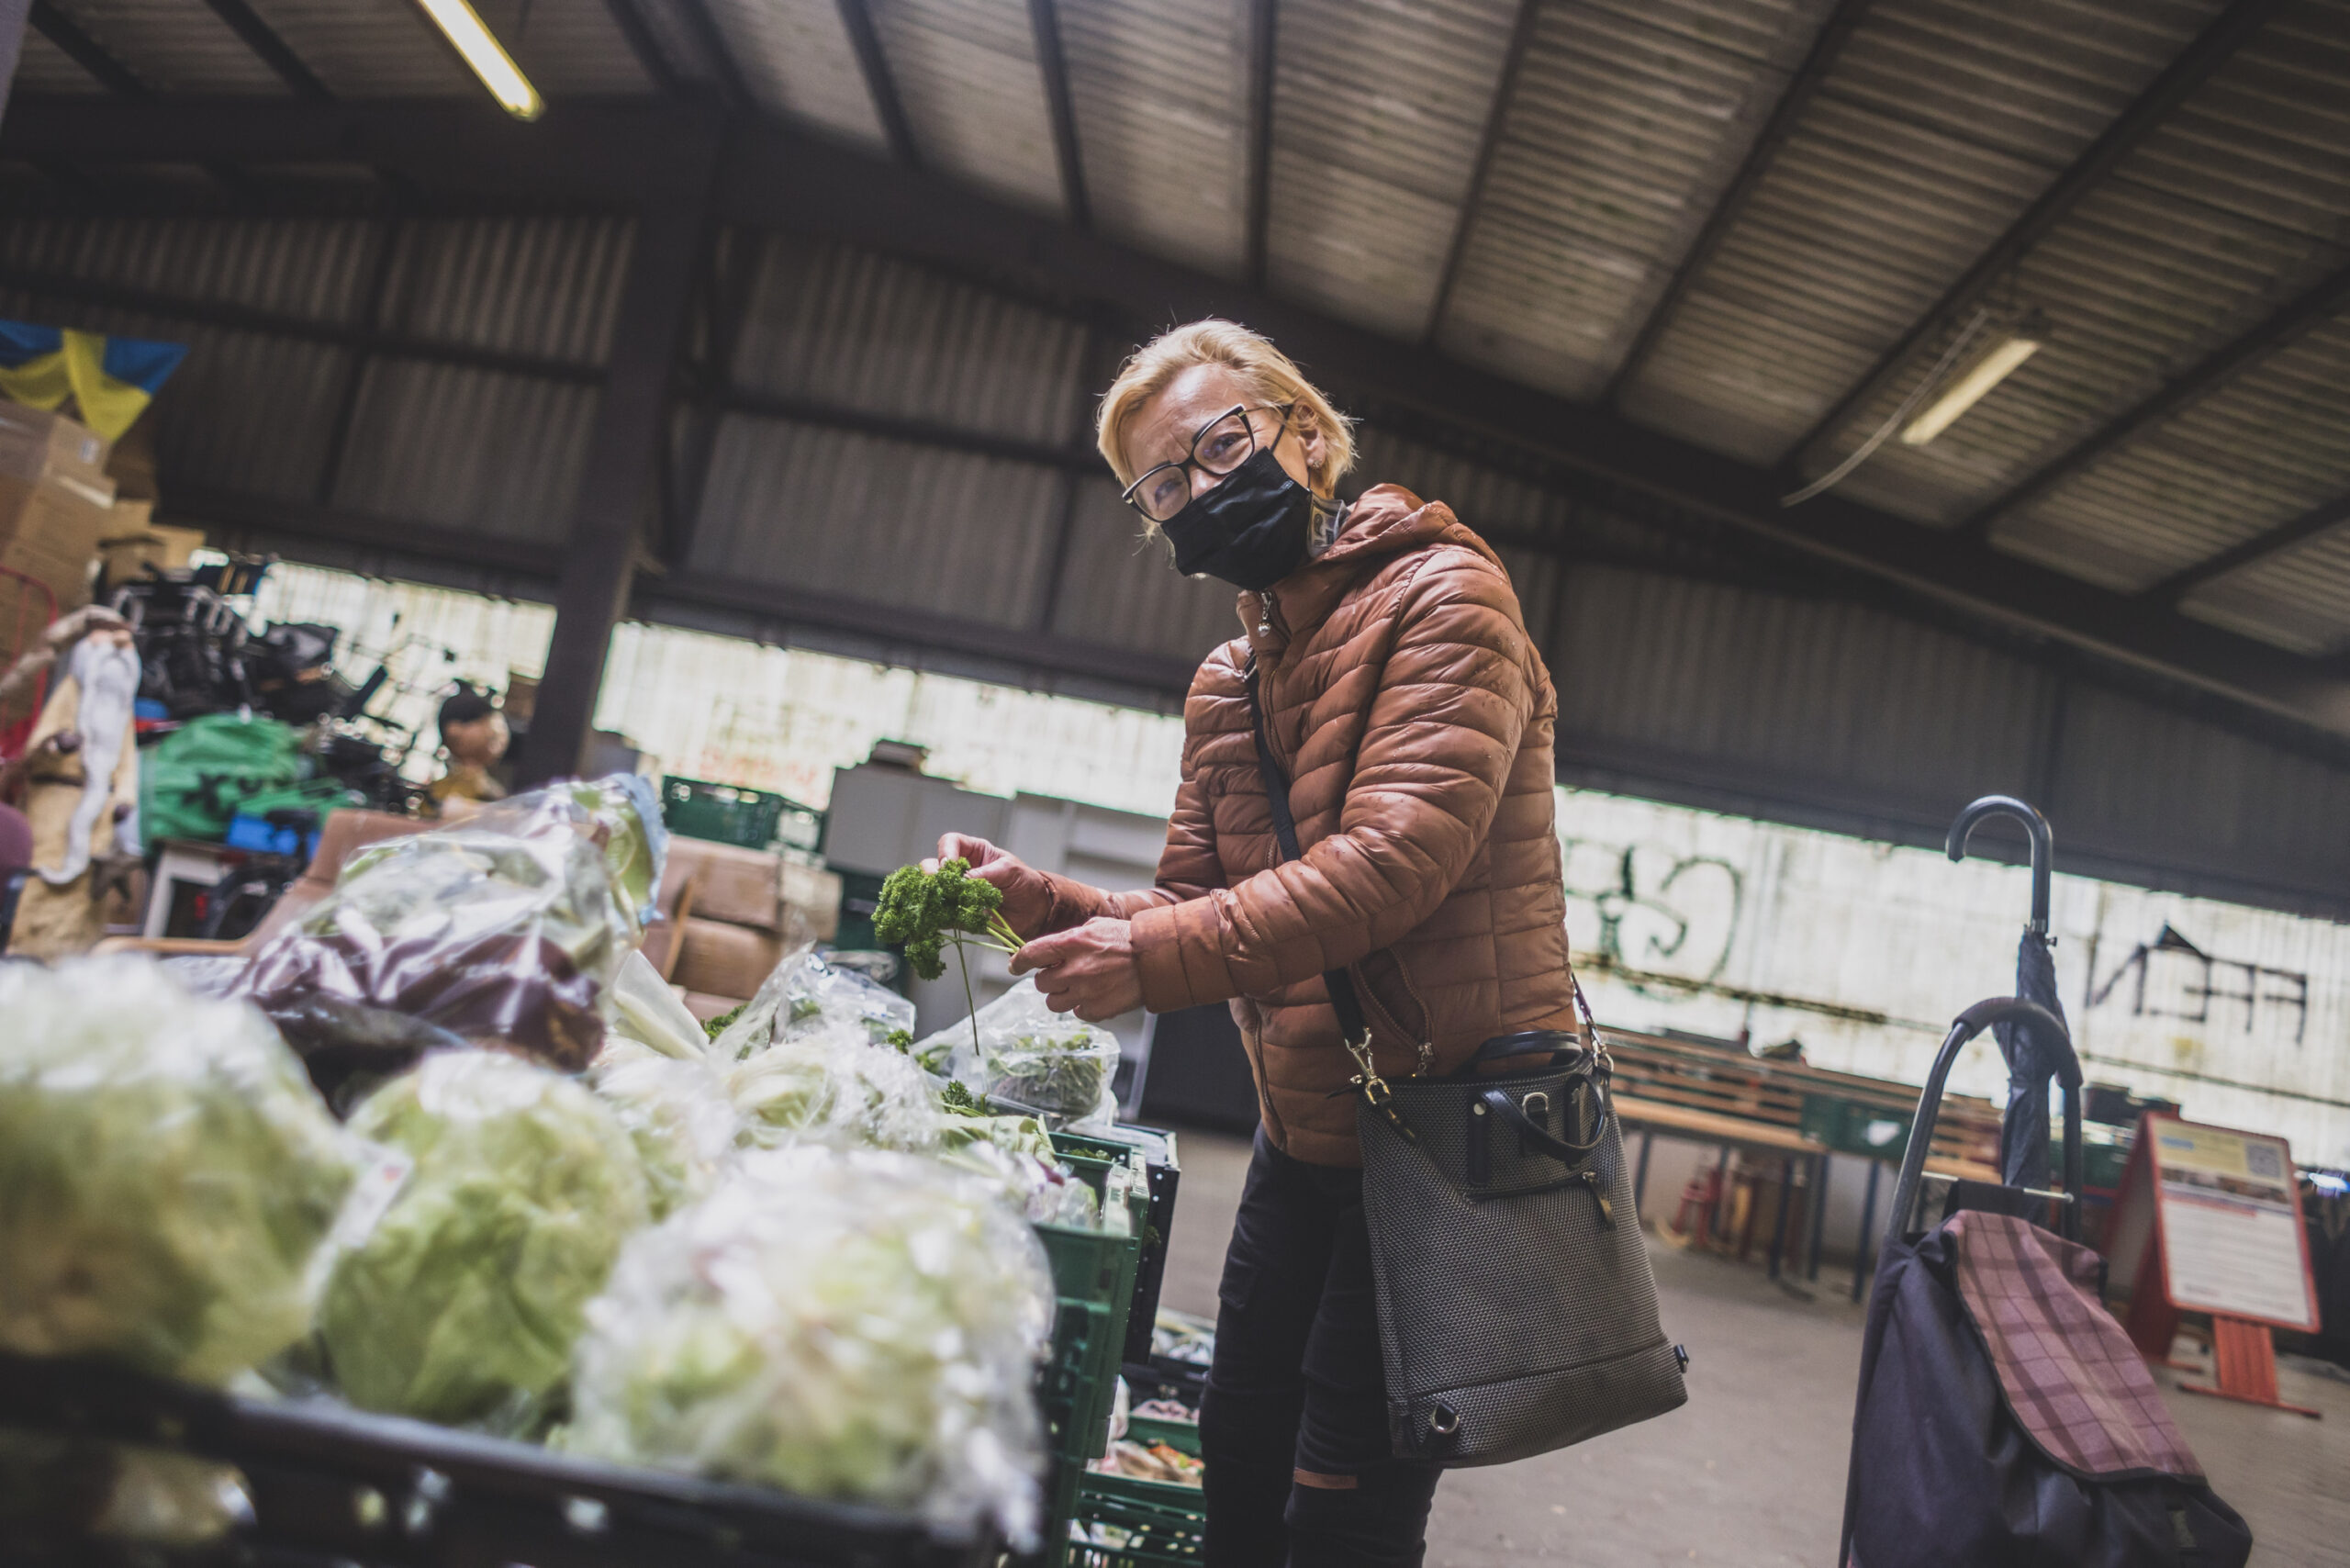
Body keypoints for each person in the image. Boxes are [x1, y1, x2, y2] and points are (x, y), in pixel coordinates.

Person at [933, 319, 1581, 1566]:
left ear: (1308, 435)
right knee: (1237, 1447)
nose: (1198, 491)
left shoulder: (1451, 599)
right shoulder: (1229, 682)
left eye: (1219, 446)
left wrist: (1149, 960)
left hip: (1438, 1142)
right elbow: (1188, 908)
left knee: (1343, 1502)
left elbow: (1392, 865)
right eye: (1162, 485)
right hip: (1305, 1136)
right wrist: (1054, 906)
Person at [427, 687, 509, 815]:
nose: (501, 736)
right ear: (454, 731)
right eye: (487, 723)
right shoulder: (444, 790)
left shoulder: (490, 789)